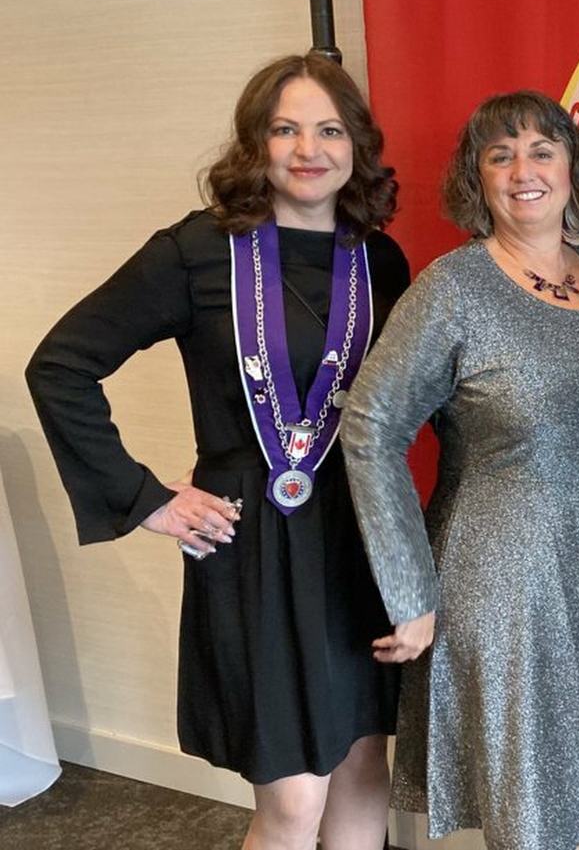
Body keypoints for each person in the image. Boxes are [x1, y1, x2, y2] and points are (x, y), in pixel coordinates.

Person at [26, 52, 410, 849]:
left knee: (362, 763)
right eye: (285, 129)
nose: (308, 148)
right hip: (255, 543)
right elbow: (60, 366)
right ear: (254, 143)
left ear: (356, 145)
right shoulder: (197, 250)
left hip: (357, 535)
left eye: (329, 130)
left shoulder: (379, 259)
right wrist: (146, 498)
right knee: (293, 798)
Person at [340, 90, 579, 850]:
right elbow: (370, 424)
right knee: (532, 818)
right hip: (506, 589)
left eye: (541, 151)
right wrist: (408, 591)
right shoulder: (453, 290)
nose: (524, 171)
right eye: (501, 156)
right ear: (477, 179)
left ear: (571, 170)